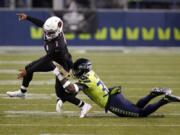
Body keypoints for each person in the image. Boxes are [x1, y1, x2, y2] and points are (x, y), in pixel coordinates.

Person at [6, 13, 91, 118]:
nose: (46, 33)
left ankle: (84, 106)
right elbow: (42, 24)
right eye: (47, 31)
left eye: (49, 32)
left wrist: (27, 71)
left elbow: (45, 60)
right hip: (54, 61)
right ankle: (22, 92)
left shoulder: (57, 45)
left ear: (56, 31)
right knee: (29, 68)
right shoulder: (52, 30)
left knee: (61, 94)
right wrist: (28, 17)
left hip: (62, 66)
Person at [52, 58, 180, 117]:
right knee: (137, 107)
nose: (74, 72)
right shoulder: (89, 74)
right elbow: (74, 91)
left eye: (76, 69)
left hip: (112, 102)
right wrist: (62, 99)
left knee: (142, 113)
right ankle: (153, 94)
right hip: (113, 96)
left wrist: (58, 75)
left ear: (82, 70)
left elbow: (72, 89)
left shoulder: (86, 79)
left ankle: (165, 100)